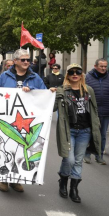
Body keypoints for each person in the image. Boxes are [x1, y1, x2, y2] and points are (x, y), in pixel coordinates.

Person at [0, 49, 46, 193]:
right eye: (23, 60)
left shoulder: (35, 77)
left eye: (28, 60)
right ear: (16, 61)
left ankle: (16, 180)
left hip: (27, 120)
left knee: (22, 151)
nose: (26, 62)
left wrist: (33, 90)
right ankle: (4, 179)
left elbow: (44, 93)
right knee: (8, 149)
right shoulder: (4, 76)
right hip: (9, 119)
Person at [54, 63, 101, 203]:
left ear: (82, 74)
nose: (75, 74)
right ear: (67, 75)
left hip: (85, 131)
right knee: (69, 159)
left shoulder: (89, 90)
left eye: (78, 71)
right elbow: (52, 108)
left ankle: (74, 188)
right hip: (69, 130)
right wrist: (53, 94)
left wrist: (96, 127)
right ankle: (63, 181)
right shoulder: (62, 90)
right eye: (71, 72)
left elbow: (94, 110)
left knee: (78, 161)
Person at [84, 58, 109, 165]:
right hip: (92, 111)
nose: (103, 68)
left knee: (103, 135)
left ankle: (99, 156)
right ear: (95, 66)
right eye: (101, 66)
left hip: (106, 111)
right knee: (91, 133)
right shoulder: (88, 78)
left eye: (105, 66)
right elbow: (83, 93)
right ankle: (87, 154)